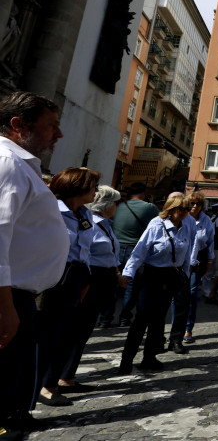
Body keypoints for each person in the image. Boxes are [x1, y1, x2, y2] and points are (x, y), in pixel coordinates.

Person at [0, 92, 68, 436]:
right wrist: (5, 305)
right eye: (51, 126)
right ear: (18, 126)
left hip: (17, 295)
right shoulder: (7, 163)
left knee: (13, 382)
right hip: (8, 297)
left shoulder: (19, 164)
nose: (58, 134)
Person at [36, 167, 100, 407]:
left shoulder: (85, 214)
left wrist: (86, 280)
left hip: (77, 276)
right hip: (54, 276)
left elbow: (85, 249)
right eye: (92, 186)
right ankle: (42, 385)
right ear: (79, 188)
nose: (95, 191)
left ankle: (53, 381)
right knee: (48, 333)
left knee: (65, 333)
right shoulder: (51, 210)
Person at [119, 195, 194, 374]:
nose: (186, 213)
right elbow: (140, 251)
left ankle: (149, 357)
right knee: (142, 318)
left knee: (159, 319)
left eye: (187, 209)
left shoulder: (185, 226)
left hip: (172, 276)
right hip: (152, 275)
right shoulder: (156, 224)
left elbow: (187, 252)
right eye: (183, 209)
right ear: (173, 209)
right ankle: (126, 360)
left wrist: (185, 276)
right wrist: (127, 273)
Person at [59, 186, 122, 390]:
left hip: (102, 279)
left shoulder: (105, 224)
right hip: (89, 279)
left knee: (85, 329)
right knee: (76, 328)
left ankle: (68, 375)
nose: (117, 207)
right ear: (107, 205)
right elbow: (83, 252)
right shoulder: (91, 224)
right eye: (115, 203)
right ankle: (61, 377)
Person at [110, 181, 158, 326]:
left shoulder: (119, 206)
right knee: (130, 285)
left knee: (113, 284)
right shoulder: (149, 207)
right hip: (134, 249)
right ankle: (124, 318)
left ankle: (105, 318)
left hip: (117, 248)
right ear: (144, 193)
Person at [171, 191, 213, 349]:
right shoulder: (183, 218)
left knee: (192, 295)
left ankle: (188, 328)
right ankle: (176, 328)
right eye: (192, 203)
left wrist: (209, 261)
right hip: (181, 263)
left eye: (198, 204)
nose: (195, 206)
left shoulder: (206, 220)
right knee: (177, 296)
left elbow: (210, 242)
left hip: (197, 262)